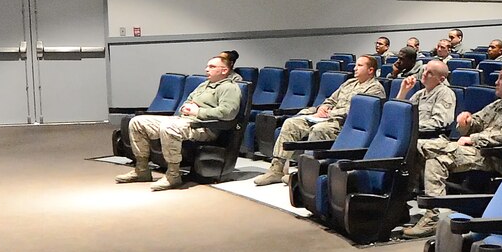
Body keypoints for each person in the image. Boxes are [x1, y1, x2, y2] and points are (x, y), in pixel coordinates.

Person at [399, 66, 502, 237]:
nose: (496, 82)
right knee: (435, 160)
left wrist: (474, 138)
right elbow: (476, 121)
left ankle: (424, 210)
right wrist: (466, 122)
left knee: (424, 146)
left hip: (496, 157)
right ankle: (425, 212)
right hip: (477, 152)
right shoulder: (499, 104)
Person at [119, 50, 246, 191]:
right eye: (207, 66)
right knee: (138, 122)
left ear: (224, 70)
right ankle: (141, 169)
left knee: (169, 127)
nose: (206, 69)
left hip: (204, 127)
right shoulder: (204, 85)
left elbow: (227, 113)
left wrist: (198, 111)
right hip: (185, 120)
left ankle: (173, 175)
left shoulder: (229, 88)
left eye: (211, 67)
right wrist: (187, 108)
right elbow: (187, 102)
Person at [252, 55, 385, 185]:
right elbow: (331, 100)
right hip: (326, 118)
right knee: (291, 123)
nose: (355, 68)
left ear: (370, 70)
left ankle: (305, 174)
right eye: (356, 65)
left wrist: (330, 113)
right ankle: (277, 169)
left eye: (360, 66)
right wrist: (323, 107)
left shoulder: (375, 88)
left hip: (344, 125)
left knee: (318, 130)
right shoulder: (349, 83)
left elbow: (359, 111)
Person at [395, 59, 457, 133]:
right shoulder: (420, 93)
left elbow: (439, 123)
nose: (424, 73)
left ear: (441, 79)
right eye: (425, 69)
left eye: (430, 73)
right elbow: (399, 113)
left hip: (431, 138)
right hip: (413, 134)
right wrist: (403, 91)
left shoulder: (445, 93)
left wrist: (411, 126)